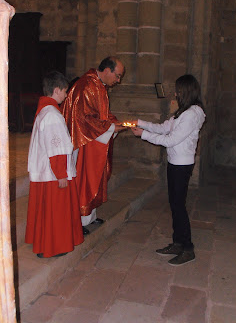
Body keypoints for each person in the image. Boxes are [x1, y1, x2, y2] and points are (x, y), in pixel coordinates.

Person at [131, 74, 206, 266]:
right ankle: (177, 242)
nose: (175, 93)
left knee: (179, 206)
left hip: (182, 164)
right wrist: (139, 122)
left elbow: (171, 140)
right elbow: (164, 128)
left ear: (187, 91)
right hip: (175, 162)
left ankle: (188, 248)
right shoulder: (184, 111)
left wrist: (144, 135)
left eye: (178, 90)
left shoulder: (191, 114)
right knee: (174, 204)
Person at [62, 57, 125, 235]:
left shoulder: (99, 86)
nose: (118, 81)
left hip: (93, 141)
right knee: (83, 180)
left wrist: (118, 123)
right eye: (117, 76)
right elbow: (83, 118)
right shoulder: (86, 86)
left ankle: (89, 216)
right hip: (82, 142)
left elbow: (102, 115)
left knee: (93, 178)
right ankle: (77, 219)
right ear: (107, 70)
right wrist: (112, 127)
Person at [25, 71, 84, 258]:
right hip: (53, 174)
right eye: (65, 91)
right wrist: (61, 174)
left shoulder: (44, 111)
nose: (66, 95)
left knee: (47, 212)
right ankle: (53, 246)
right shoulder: (52, 115)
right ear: (56, 90)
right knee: (56, 212)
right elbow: (56, 148)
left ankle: (45, 243)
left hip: (46, 171)